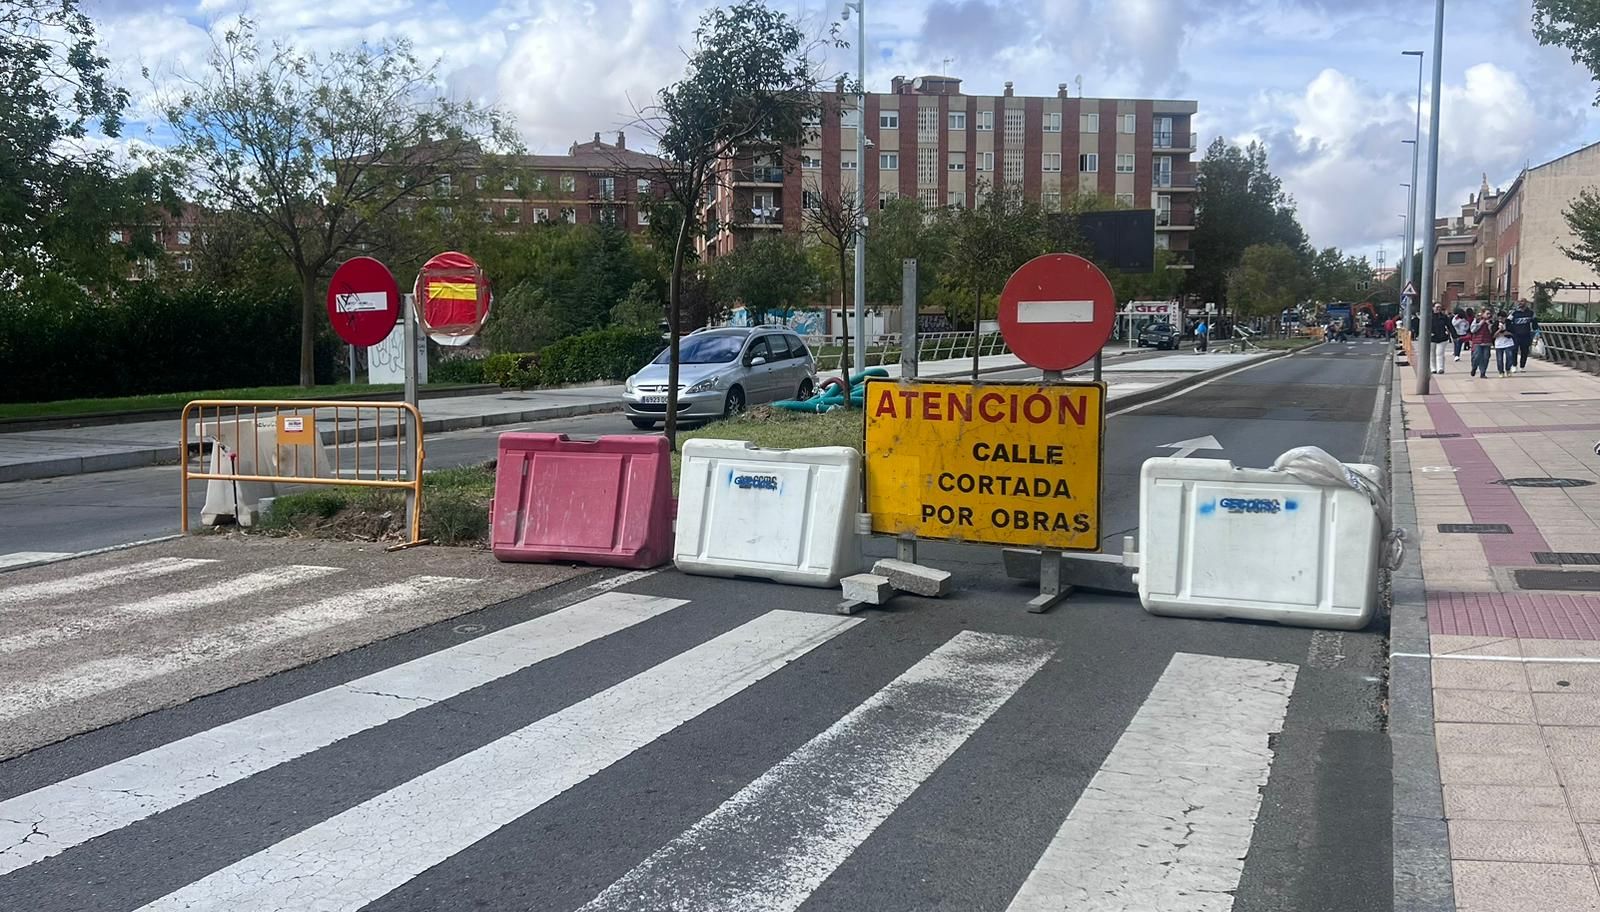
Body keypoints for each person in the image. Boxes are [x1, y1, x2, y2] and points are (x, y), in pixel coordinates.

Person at [1507, 299, 1538, 373]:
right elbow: (1508, 321)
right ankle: (1514, 365)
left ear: (1526, 303)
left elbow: (1535, 323)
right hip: (1516, 335)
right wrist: (1511, 331)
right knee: (1514, 350)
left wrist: (1536, 332)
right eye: (1519, 301)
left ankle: (1522, 366)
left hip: (1526, 335)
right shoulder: (1514, 313)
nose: (1521, 303)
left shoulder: (1531, 313)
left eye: (1522, 301)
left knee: (1525, 351)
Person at [1466, 308, 1494, 378]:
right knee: (1477, 356)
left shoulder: (1491, 322)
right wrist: (1480, 324)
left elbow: (1492, 332)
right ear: (1483, 313)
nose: (1488, 315)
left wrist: (1489, 326)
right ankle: (1474, 367)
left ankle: (1483, 372)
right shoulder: (1477, 320)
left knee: (1486, 357)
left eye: (1489, 314)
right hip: (1477, 342)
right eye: (1487, 313)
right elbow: (1472, 330)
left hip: (1487, 342)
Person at [1428, 303, 1451, 374]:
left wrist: (1455, 336)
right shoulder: (1429, 317)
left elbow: (1450, 326)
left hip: (1442, 338)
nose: (1438, 308)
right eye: (1437, 307)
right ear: (1433, 308)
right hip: (1432, 338)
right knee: (1432, 354)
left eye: (1440, 307)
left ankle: (1440, 368)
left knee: (1439, 353)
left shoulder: (1444, 317)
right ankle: (1433, 368)